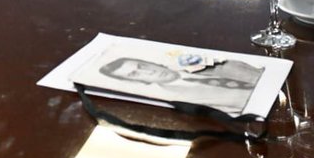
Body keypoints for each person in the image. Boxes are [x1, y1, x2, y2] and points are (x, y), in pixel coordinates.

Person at [96, 57, 263, 115]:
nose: (148, 72)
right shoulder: (180, 101)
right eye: (135, 74)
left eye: (142, 66)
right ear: (136, 82)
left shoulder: (201, 61)